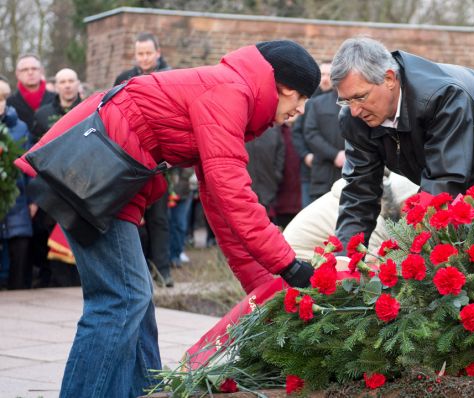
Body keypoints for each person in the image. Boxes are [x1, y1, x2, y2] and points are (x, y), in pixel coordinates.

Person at [15, 40, 320, 397]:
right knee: (121, 299)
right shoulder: (230, 94)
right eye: (301, 98)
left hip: (112, 171)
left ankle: (144, 393)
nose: (300, 110)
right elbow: (232, 192)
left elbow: (220, 204)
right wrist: (286, 263)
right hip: (99, 169)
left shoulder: (229, 89)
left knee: (134, 299)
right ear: (283, 87)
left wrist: (262, 282)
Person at [331, 37, 474, 247]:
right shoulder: (355, 119)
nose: (354, 110)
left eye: (360, 97)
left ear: (389, 79)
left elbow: (444, 179)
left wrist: (413, 248)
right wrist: (345, 256)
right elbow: (359, 190)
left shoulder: (441, 96)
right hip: (469, 163)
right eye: (345, 101)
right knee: (460, 249)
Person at [115, 32, 173, 289]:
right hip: (130, 156)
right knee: (132, 217)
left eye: (149, 53)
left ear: (157, 52)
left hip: (160, 157)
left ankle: (163, 271)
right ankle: (136, 273)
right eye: (140, 53)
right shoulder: (123, 78)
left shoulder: (169, 77)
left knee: (159, 219)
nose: (145, 58)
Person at [284, 172, 418, 259]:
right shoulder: (371, 219)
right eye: (411, 204)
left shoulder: (362, 197)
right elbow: (371, 267)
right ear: (400, 201)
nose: (415, 212)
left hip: (294, 258)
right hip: (298, 263)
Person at [0, 78, 33, 290]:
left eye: (2, 98)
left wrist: (34, 199)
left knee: (20, 249)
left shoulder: (20, 127)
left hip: (17, 200)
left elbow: (29, 163)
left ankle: (19, 290)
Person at [302, 61, 345, 201]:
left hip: (349, 175)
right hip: (322, 177)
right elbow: (310, 133)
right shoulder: (316, 103)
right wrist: (335, 155)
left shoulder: (354, 103)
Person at [33, 68, 82, 141]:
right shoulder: (42, 114)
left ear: (78, 84)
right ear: (56, 86)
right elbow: (36, 145)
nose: (67, 86)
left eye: (71, 81)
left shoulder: (91, 111)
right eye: (62, 82)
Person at [7, 54, 54, 128]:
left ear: (41, 71)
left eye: (34, 68)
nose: (30, 73)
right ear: (17, 74)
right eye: (25, 70)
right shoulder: (8, 103)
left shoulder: (56, 100)